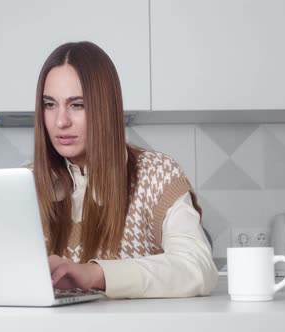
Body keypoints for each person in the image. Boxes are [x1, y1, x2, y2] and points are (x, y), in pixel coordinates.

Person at [29, 41, 218, 299]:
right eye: (50, 104)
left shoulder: (157, 174)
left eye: (77, 105)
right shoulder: (24, 184)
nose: (60, 121)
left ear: (105, 108)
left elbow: (198, 267)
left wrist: (95, 274)